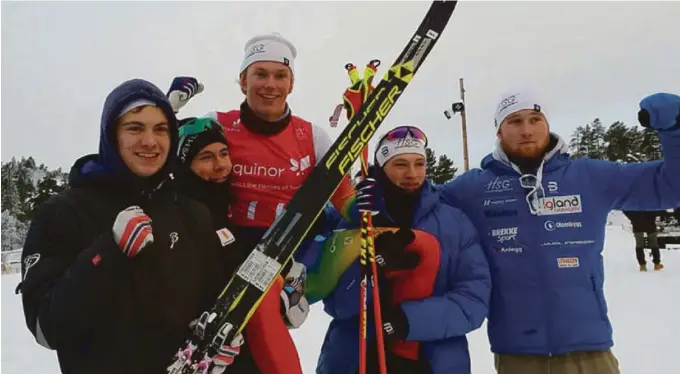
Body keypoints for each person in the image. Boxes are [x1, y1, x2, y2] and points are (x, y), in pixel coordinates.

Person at [438, 90, 680, 373]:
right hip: (517, 356)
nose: (527, 130)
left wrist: (675, 129)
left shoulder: (590, 176)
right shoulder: (473, 188)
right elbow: (418, 205)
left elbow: (670, 186)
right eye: (515, 121)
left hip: (589, 353)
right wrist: (378, 189)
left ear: (547, 125)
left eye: (534, 119)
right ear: (499, 132)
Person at [18, 79, 243, 374]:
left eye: (161, 129)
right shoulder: (62, 213)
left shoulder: (193, 214)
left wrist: (219, 346)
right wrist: (108, 251)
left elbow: (210, 306)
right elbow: (46, 328)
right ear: (112, 135)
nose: (150, 141)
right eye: (135, 128)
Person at [305, 126, 491, 374]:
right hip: (356, 358)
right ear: (382, 168)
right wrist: (374, 268)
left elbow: (473, 299)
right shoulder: (352, 217)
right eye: (400, 164)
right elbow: (337, 305)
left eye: (420, 164)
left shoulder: (453, 223)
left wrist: (405, 320)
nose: (412, 173)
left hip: (432, 361)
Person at [166, 32, 356, 252]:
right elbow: (163, 161)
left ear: (291, 84)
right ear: (244, 81)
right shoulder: (217, 124)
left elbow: (343, 198)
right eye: (261, 74)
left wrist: (368, 205)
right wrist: (168, 110)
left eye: (280, 76)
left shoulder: (313, 136)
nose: (270, 85)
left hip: (291, 250)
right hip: (225, 246)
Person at [173, 116, 310, 374]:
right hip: (204, 352)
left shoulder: (223, 207)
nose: (220, 165)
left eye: (224, 153)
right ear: (183, 165)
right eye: (205, 157)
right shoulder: (181, 214)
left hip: (240, 350)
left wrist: (283, 279)